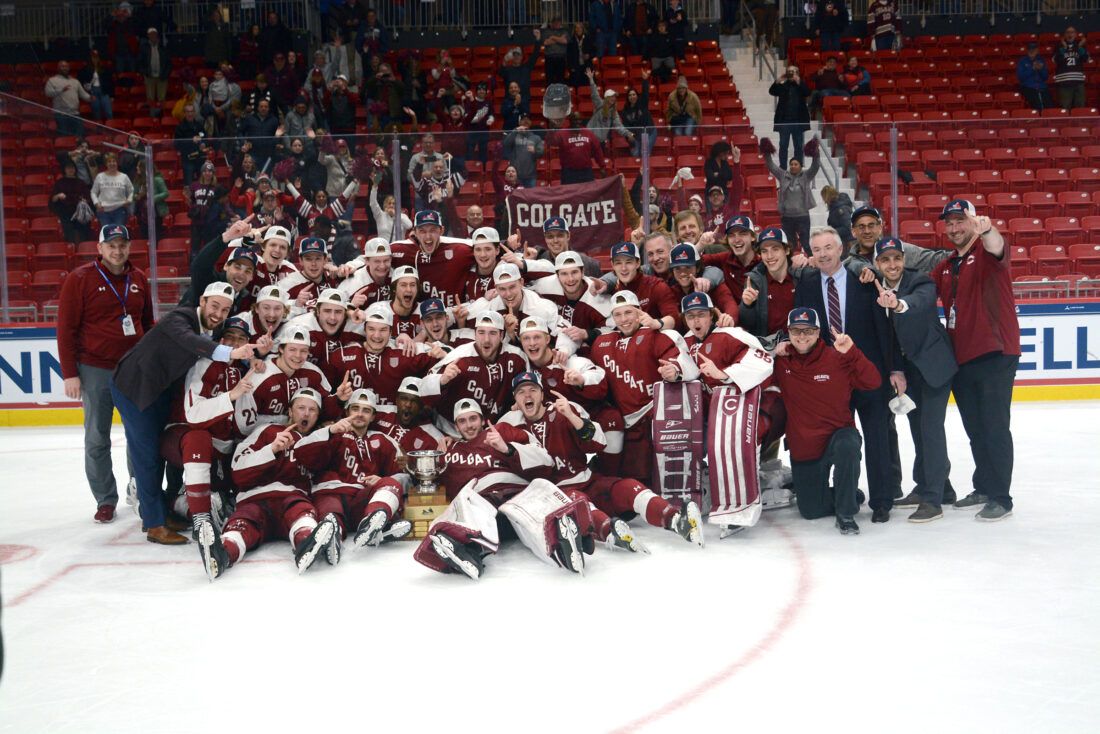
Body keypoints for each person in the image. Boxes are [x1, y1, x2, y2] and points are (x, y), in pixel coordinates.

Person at [111, 282, 267, 544]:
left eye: (225, 309)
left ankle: (161, 511)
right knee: (147, 454)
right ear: (203, 301)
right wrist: (231, 352)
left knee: (158, 453)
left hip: (159, 391)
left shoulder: (211, 328)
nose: (218, 313)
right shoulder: (180, 318)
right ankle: (154, 524)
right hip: (135, 388)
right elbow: (190, 342)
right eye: (214, 306)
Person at [499, 370, 703, 549]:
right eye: (521, 392)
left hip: (587, 480)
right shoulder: (509, 424)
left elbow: (599, 442)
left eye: (532, 390)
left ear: (542, 394)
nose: (527, 395)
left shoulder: (565, 409)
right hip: (557, 494)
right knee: (580, 504)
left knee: (628, 487)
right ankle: (611, 532)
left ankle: (675, 519)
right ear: (515, 400)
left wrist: (573, 418)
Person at [795, 226, 901, 523]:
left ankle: (882, 500)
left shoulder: (864, 278)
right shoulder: (807, 282)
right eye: (817, 250)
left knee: (878, 435)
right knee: (842, 440)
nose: (823, 254)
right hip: (831, 379)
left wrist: (893, 367)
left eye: (828, 247)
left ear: (841, 249)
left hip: (868, 372)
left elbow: (884, 328)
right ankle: (847, 496)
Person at [930, 200, 1020, 521]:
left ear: (971, 221)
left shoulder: (986, 251)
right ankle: (983, 486)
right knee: (976, 429)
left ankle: (1001, 496)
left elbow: (997, 246)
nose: (954, 228)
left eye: (960, 221)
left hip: (995, 354)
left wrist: (989, 230)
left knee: (994, 427)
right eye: (949, 223)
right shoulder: (947, 265)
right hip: (962, 357)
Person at [57, 224, 153, 524]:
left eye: (122, 244)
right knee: (97, 437)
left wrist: (151, 364)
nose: (117, 250)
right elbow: (66, 329)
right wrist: (70, 373)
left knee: (138, 435)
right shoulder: (80, 279)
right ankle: (105, 499)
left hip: (132, 370)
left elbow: (148, 325)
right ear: (99, 248)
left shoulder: (138, 278)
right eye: (111, 245)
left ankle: (138, 489)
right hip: (94, 368)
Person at [204, 388, 342, 578]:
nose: (306, 413)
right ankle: (223, 553)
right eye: (301, 407)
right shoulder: (267, 431)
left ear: (318, 416)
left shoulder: (317, 444)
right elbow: (238, 471)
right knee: (244, 523)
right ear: (290, 411)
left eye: (312, 410)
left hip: (292, 498)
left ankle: (306, 543)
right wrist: (271, 449)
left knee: (301, 512)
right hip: (255, 499)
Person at [869, 237, 957, 523]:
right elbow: (889, 338)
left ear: (904, 260)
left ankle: (933, 500)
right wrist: (896, 369)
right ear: (877, 263)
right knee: (918, 430)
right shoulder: (874, 288)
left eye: (897, 258)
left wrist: (898, 304)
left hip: (934, 367)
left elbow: (920, 303)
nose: (892, 264)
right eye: (885, 260)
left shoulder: (920, 281)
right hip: (908, 372)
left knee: (930, 430)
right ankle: (938, 487)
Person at [773, 307, 881, 534]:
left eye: (808, 330)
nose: (802, 336)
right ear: (788, 333)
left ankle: (846, 513)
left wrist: (852, 352)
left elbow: (873, 382)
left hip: (838, 436)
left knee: (848, 444)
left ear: (818, 331)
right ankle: (849, 493)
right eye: (796, 331)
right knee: (810, 510)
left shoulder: (837, 357)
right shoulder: (782, 363)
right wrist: (772, 352)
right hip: (805, 447)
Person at [590, 290, 699, 484]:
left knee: (671, 475)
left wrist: (675, 370)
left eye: (628, 313)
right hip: (628, 422)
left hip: (657, 416)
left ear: (640, 312)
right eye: (618, 314)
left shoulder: (659, 335)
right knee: (638, 478)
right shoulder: (601, 344)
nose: (623, 319)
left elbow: (688, 365)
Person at [738, 226, 798, 347]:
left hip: (800, 345)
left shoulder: (800, 277)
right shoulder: (754, 280)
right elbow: (748, 325)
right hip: (767, 349)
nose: (769, 256)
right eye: (764, 251)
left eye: (775, 249)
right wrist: (747, 305)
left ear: (786, 250)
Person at [762, 135, 820, 256]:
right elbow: (771, 166)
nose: (793, 166)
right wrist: (766, 152)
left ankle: (812, 264)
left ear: (800, 166)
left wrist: (816, 153)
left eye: (796, 164)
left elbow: (815, 166)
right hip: (787, 217)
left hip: (803, 216)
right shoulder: (782, 175)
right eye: (791, 164)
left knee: (805, 244)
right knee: (790, 245)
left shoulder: (806, 176)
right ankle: (792, 267)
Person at [768, 65, 811, 169]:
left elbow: (807, 92)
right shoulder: (783, 86)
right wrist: (778, 80)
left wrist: (799, 81)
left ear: (797, 73)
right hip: (784, 121)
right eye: (789, 72)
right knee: (783, 146)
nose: (791, 74)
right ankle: (783, 167)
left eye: (793, 72)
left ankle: (798, 166)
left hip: (798, 121)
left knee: (798, 146)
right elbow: (772, 91)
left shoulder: (801, 85)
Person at [585, 69, 635, 154]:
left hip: (600, 142)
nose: (613, 98)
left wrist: (628, 133)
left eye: (614, 97)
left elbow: (619, 126)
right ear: (606, 97)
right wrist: (591, 80)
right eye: (611, 96)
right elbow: (594, 94)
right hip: (589, 138)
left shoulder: (614, 112)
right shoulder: (600, 104)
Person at [50, 160, 95, 244]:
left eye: (72, 168)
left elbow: (88, 197)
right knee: (68, 230)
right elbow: (53, 199)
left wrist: (85, 200)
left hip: (80, 212)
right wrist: (58, 195)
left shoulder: (81, 182)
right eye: (68, 168)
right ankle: (70, 247)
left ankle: (84, 247)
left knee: (84, 227)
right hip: (65, 212)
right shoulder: (59, 183)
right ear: (64, 170)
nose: (71, 170)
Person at [44, 61, 90, 137]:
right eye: (62, 66)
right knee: (65, 137)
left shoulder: (75, 81)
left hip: (75, 113)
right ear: (58, 68)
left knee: (80, 135)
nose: (65, 68)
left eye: (66, 66)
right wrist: (61, 90)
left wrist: (90, 98)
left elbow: (83, 94)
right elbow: (48, 93)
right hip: (61, 114)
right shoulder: (52, 80)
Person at [90, 152, 134, 229]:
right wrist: (96, 203)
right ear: (106, 164)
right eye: (109, 162)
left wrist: (129, 200)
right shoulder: (100, 176)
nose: (112, 163)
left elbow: (131, 191)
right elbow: (93, 192)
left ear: (117, 163)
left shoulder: (124, 177)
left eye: (114, 161)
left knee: (118, 234)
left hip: (120, 210)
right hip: (104, 210)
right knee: (107, 235)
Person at [1053, 27, 1089, 110]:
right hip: (1064, 81)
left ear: (1075, 34)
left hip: (1078, 81)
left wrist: (1080, 47)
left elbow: (1086, 59)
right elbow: (1055, 60)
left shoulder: (1080, 45)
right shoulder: (1059, 46)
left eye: (1072, 32)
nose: (1070, 34)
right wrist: (1064, 48)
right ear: (1065, 35)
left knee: (1080, 107)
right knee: (1065, 107)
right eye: (1068, 32)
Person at [139, 27, 170, 116]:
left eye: (154, 34)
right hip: (149, 76)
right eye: (151, 35)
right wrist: (145, 72)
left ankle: (162, 115)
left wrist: (165, 73)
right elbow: (140, 62)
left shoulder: (163, 47)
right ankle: (152, 116)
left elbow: (168, 62)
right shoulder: (144, 48)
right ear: (148, 36)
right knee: (150, 98)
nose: (153, 36)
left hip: (162, 75)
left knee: (162, 97)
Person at [77, 50, 115, 122]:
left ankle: (110, 129)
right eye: (93, 57)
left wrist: (112, 95)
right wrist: (86, 89)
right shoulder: (85, 70)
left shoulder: (104, 69)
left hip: (104, 91)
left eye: (96, 57)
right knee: (96, 113)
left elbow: (110, 82)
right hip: (92, 92)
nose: (95, 59)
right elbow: (81, 81)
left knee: (108, 112)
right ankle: (98, 130)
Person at [1017, 42, 1053, 111]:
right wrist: (1032, 69)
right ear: (1027, 50)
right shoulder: (1022, 61)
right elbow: (1021, 77)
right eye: (1030, 49)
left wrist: (1041, 69)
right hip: (1028, 88)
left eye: (1034, 49)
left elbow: (1045, 77)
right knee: (1036, 104)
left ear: (1037, 50)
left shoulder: (1041, 60)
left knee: (1049, 106)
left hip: (1042, 87)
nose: (1032, 51)